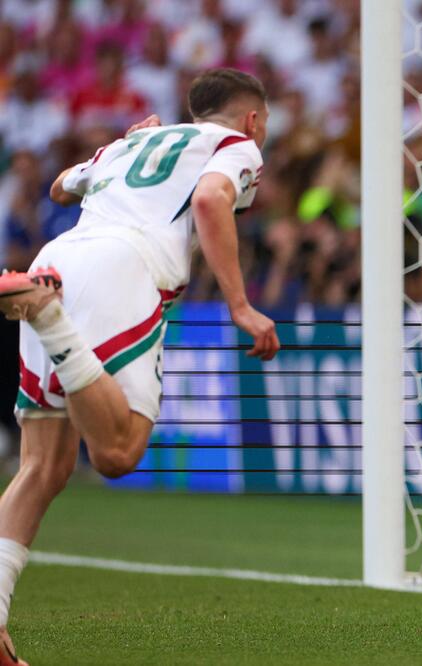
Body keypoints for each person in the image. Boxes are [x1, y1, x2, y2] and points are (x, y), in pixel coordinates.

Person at [0, 67, 280, 665]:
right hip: (121, 268)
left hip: (59, 256)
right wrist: (240, 304)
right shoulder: (236, 144)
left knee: (42, 468)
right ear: (252, 118)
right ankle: (49, 319)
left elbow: (58, 188)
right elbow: (210, 199)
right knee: (118, 453)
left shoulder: (137, 139)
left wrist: (123, 146)